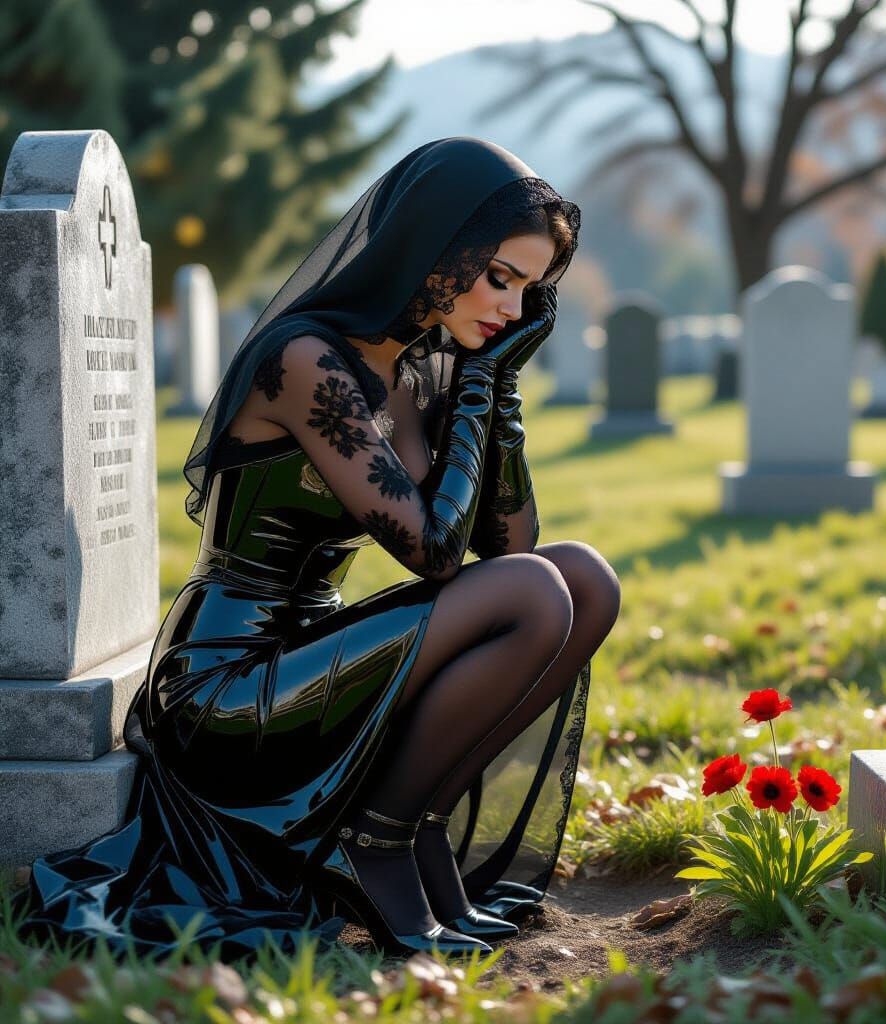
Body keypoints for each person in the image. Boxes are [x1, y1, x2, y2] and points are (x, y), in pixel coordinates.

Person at [15, 137, 621, 961]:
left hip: (319, 657)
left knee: (583, 578)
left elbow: (512, 541)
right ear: (437, 248)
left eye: (529, 290)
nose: (512, 310)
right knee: (536, 593)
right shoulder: (305, 361)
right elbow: (437, 555)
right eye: (499, 278)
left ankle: (416, 825)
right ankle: (375, 840)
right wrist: (480, 385)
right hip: (226, 685)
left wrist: (498, 383)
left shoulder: (420, 371)